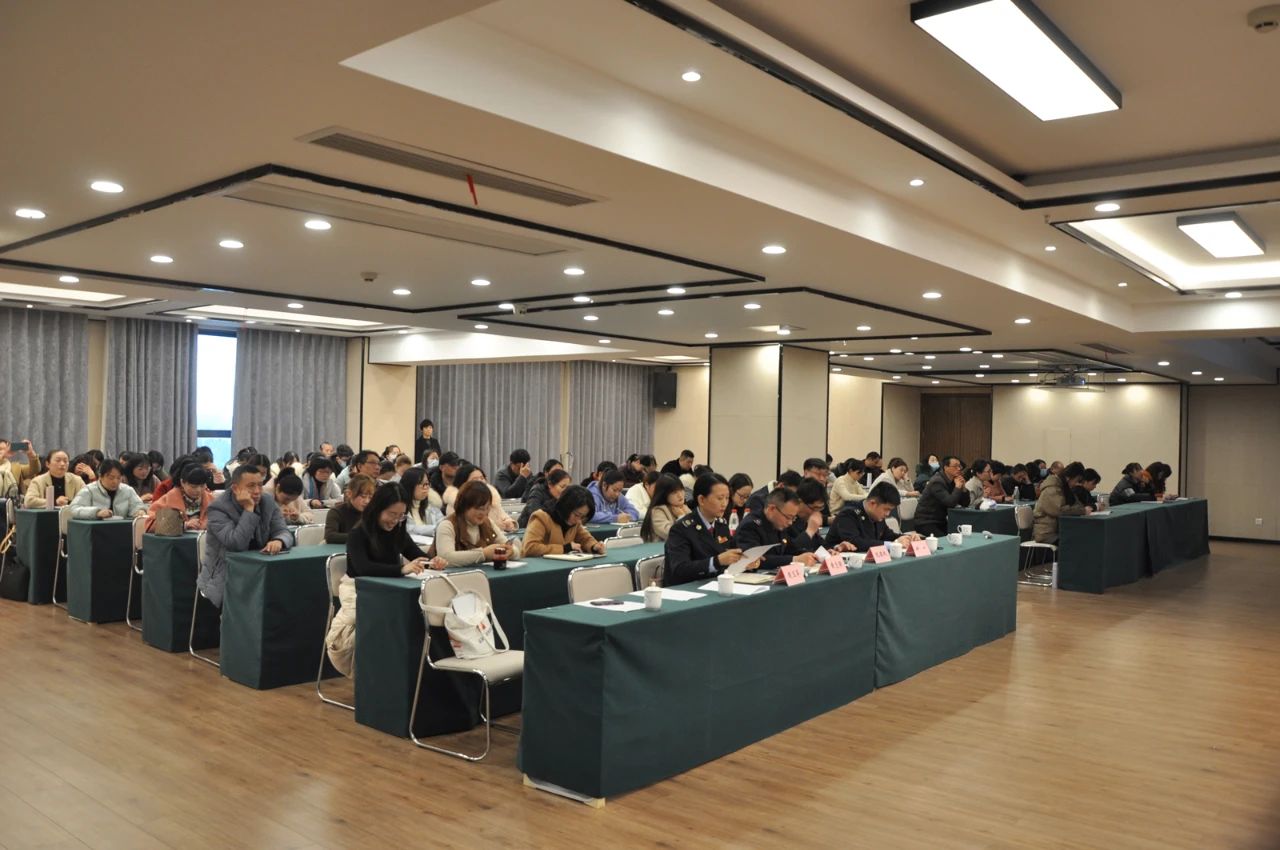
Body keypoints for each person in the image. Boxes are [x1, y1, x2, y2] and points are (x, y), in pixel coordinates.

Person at [326, 484, 446, 678]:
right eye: (391, 514)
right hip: (358, 587)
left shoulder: (398, 530)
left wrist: (433, 562)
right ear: (377, 508)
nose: (395, 520)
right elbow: (363, 568)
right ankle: (365, 672)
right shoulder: (358, 533)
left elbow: (416, 554)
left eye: (401, 516)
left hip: (391, 586)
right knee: (365, 622)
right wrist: (401, 569)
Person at [199, 465, 293, 608]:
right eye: (251, 486)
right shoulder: (218, 508)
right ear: (235, 488)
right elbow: (236, 544)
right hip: (226, 572)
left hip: (258, 569)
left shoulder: (267, 501)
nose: (257, 491)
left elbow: (284, 531)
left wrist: (279, 540)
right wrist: (249, 509)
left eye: (260, 485)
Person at [663, 474, 760, 586]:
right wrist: (716, 561)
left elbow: (730, 554)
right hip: (687, 589)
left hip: (715, 585)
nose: (724, 503)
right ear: (701, 499)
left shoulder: (721, 524)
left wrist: (745, 562)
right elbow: (680, 569)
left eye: (727, 498)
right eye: (720, 498)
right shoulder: (681, 529)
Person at [734, 487, 827, 571]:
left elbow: (791, 549)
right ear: (772, 509)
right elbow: (755, 560)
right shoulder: (750, 526)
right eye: (788, 517)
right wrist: (794, 559)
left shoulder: (778, 524)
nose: (790, 522)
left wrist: (816, 555)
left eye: (793, 518)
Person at [432, 480, 517, 566]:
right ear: (465, 506)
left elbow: (509, 545)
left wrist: (511, 552)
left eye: (487, 508)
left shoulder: (487, 523)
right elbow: (446, 557)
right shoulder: (448, 525)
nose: (484, 513)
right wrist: (483, 553)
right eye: (479, 508)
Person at [826, 482, 920, 551]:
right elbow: (856, 542)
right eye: (886, 509)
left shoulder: (877, 515)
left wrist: (907, 538)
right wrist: (893, 544)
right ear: (872, 503)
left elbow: (887, 535)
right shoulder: (848, 514)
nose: (888, 514)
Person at [521, 485, 607, 557]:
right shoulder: (541, 517)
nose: (578, 520)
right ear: (566, 507)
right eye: (576, 515)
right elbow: (529, 547)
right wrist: (565, 548)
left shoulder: (575, 522)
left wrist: (594, 546)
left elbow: (585, 539)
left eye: (582, 517)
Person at [444, 464, 517, 530]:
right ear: (463, 484)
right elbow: (469, 529)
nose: (480, 481)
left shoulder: (492, 498)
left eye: (482, 478)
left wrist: (509, 522)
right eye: (475, 479)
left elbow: (503, 515)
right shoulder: (456, 503)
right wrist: (498, 526)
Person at [1034, 462, 1092, 544]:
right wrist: (1082, 511)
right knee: (1077, 542)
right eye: (1077, 480)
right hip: (1047, 533)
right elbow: (1059, 510)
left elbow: (1077, 505)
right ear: (1068, 477)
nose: (1077, 484)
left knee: (1084, 537)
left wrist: (1082, 508)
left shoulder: (1065, 487)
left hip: (1060, 529)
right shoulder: (1052, 488)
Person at [68, 459, 147, 520]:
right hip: (96, 531)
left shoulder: (128, 490)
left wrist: (140, 511)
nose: (115, 481)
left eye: (118, 478)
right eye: (111, 478)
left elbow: (138, 505)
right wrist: (96, 512)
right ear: (100, 476)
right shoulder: (89, 490)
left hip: (122, 529)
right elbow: (73, 509)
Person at [914, 455, 971, 537]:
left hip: (940, 521)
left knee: (958, 536)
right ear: (946, 467)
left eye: (960, 466)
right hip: (926, 522)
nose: (959, 469)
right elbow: (950, 503)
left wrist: (963, 488)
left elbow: (965, 504)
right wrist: (958, 487)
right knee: (946, 540)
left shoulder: (954, 481)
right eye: (955, 466)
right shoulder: (937, 481)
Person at [146, 464, 213, 531]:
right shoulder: (169, 499)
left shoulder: (211, 500)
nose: (198, 490)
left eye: (202, 486)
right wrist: (183, 525)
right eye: (193, 487)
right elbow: (150, 523)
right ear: (182, 483)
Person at [324, 474, 376, 544]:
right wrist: (361, 537)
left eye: (370, 497)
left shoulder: (372, 513)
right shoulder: (336, 512)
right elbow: (330, 536)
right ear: (349, 494)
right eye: (363, 496)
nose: (367, 501)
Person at [640, 474, 690, 542]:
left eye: (681, 490)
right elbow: (673, 534)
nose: (680, 495)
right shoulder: (658, 511)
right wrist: (681, 516)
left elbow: (697, 530)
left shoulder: (684, 507)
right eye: (674, 492)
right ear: (664, 494)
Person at [399, 466, 444, 538]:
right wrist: (435, 529)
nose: (426, 487)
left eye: (427, 483)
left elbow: (443, 524)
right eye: (421, 484)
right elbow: (408, 529)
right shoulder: (400, 507)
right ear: (410, 485)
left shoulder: (432, 505)